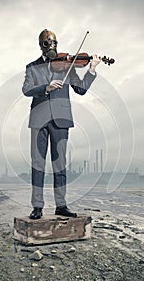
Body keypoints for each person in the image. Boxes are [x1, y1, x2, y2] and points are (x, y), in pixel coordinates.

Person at [22, 29, 100, 219]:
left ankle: (61, 205)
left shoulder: (67, 65)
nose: (52, 47)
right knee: (37, 164)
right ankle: (37, 206)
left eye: (54, 43)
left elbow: (80, 89)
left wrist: (92, 69)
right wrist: (46, 88)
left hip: (61, 120)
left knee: (60, 164)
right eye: (48, 44)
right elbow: (26, 90)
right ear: (41, 45)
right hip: (38, 120)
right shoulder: (32, 67)